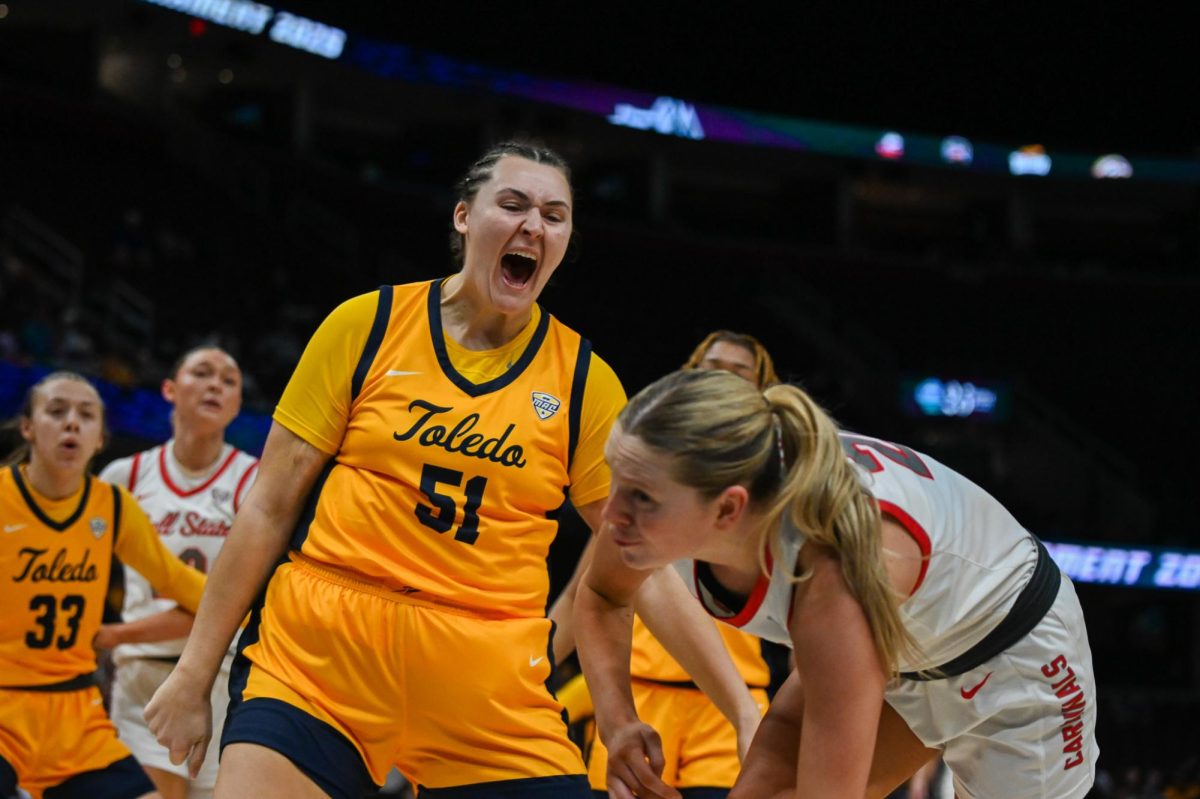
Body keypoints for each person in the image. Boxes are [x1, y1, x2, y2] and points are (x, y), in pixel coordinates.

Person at [143, 141, 739, 799]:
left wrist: (744, 712)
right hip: (322, 658)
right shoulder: (365, 325)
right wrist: (193, 672)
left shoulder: (585, 382)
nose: (533, 226)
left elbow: (639, 566)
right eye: (512, 204)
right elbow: (267, 507)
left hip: (488, 676)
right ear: (463, 217)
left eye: (554, 214)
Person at [575, 368, 1098, 799]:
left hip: (1018, 659)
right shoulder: (669, 504)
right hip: (904, 648)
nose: (613, 512)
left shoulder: (831, 569)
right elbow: (602, 595)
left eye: (642, 496)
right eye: (615, 476)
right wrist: (618, 723)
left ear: (728, 508)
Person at [562, 330, 783, 798]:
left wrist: (761, 715)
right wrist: (526, 668)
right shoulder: (642, 489)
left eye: (736, 373)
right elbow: (588, 594)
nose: (718, 379)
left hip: (727, 708)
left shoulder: (780, 495)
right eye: (709, 367)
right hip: (640, 691)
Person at [0, 371, 207, 799]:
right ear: (28, 427)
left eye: (86, 415)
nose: (71, 422)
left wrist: (256, 598)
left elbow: (187, 590)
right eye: (56, 412)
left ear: (99, 438)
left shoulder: (112, 506)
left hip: (76, 719)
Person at [96, 347, 258, 799]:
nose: (215, 385)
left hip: (223, 679)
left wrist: (112, 635)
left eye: (229, 381)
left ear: (238, 404)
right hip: (140, 682)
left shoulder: (255, 483)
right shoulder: (123, 476)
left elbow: (240, 603)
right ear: (169, 389)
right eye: (202, 373)